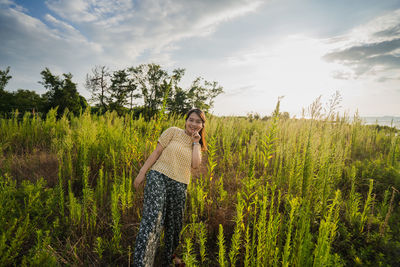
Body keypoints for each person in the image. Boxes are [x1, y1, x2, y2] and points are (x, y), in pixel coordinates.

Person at [132, 108, 207, 267]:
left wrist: (195, 142)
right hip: (158, 176)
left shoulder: (197, 146)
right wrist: (142, 173)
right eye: (191, 120)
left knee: (174, 225)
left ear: (202, 125)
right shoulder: (173, 132)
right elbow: (156, 152)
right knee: (152, 220)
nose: (193, 124)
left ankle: (168, 258)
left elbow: (195, 164)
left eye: (198, 121)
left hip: (179, 184)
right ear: (186, 121)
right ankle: (142, 263)